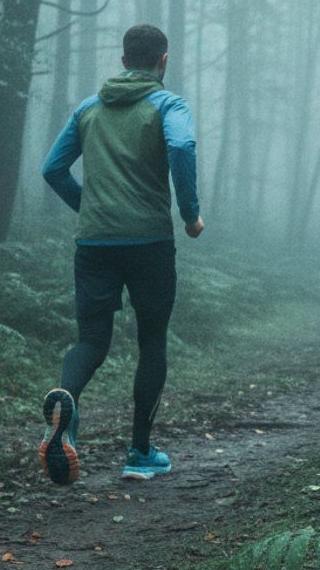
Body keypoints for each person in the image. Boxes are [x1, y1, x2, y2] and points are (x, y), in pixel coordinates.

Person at [39, 24, 204, 484]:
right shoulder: (168, 104)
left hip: (93, 243)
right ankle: (139, 453)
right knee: (151, 341)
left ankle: (65, 403)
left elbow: (52, 169)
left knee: (92, 341)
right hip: (150, 242)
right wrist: (190, 213)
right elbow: (182, 144)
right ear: (162, 61)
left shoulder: (89, 108)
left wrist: (89, 207)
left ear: (123, 59)